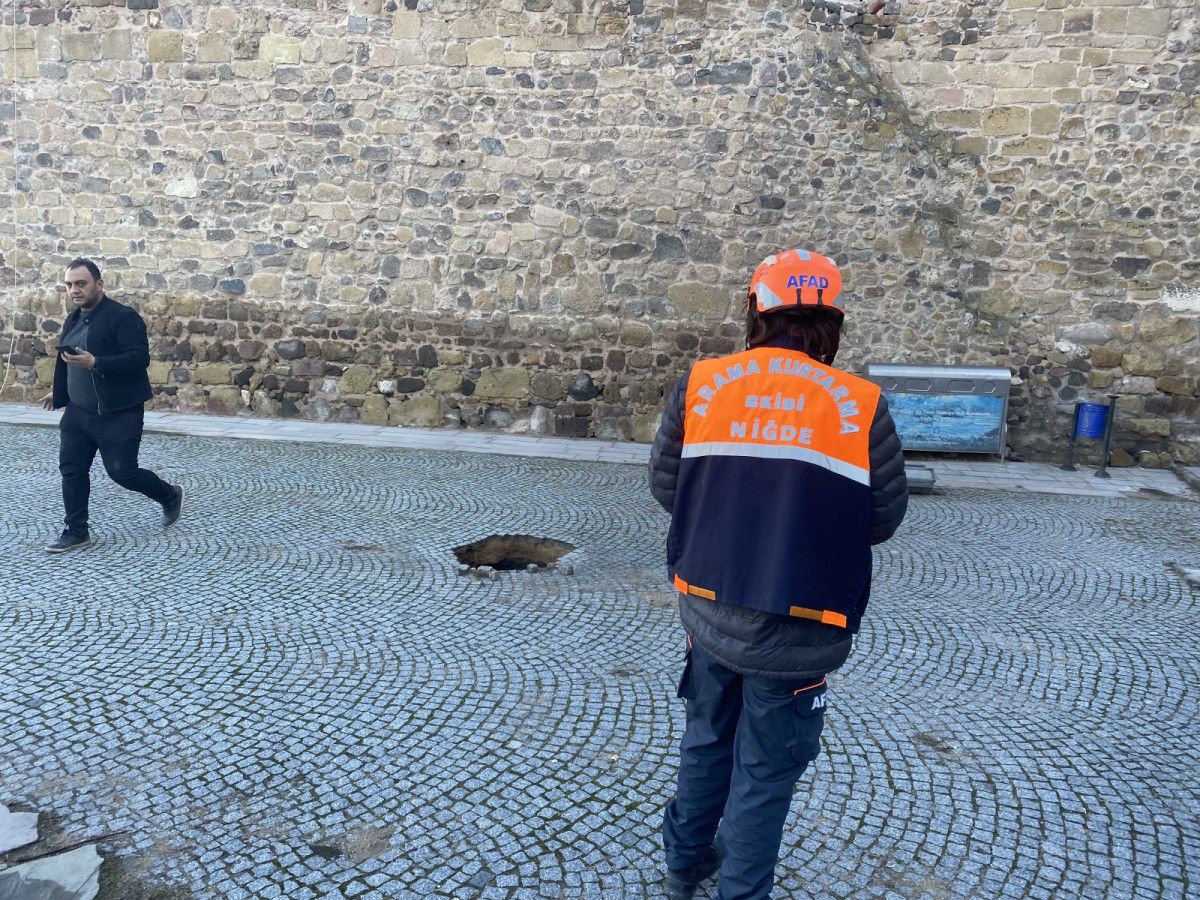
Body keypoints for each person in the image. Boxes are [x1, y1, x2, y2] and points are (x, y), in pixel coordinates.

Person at [649, 248, 909, 899]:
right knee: (766, 772)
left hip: (710, 605)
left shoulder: (704, 382)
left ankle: (684, 863)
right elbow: (881, 518)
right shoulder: (860, 404)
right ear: (832, 320)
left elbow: (666, 488)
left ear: (755, 311)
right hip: (802, 620)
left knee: (707, 736)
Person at [40, 258, 183, 552]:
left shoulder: (123, 317)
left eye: (81, 283)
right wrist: (59, 394)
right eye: (69, 285)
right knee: (72, 468)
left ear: (99, 284)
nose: (74, 290)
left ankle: (169, 495)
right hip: (78, 413)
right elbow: (64, 361)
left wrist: (96, 362)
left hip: (118, 412)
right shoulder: (73, 318)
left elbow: (139, 358)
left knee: (122, 472)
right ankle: (76, 531)